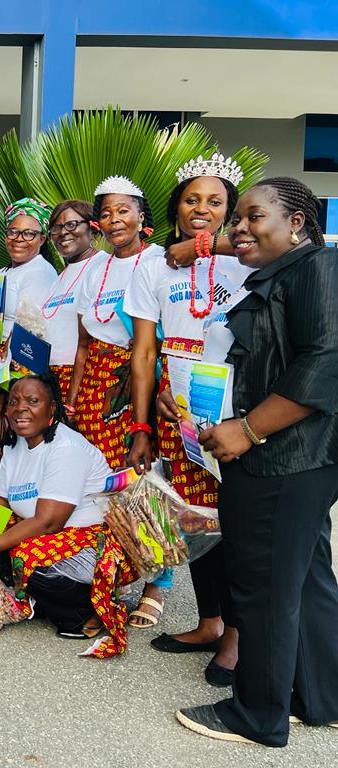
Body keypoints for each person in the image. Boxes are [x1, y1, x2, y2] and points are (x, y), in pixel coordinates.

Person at [174, 178, 338, 746]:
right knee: (305, 577)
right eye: (237, 218)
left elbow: (324, 363)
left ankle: (258, 715)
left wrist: (246, 430)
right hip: (286, 456)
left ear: (296, 223)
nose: (239, 228)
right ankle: (322, 696)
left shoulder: (318, 268)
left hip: (285, 458)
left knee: (264, 586)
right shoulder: (285, 272)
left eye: (253, 216)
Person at [125, 155, 249, 684]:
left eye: (215, 202)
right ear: (175, 205)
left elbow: (295, 248)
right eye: (192, 199)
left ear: (231, 210)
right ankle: (210, 621)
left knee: (236, 520)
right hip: (177, 410)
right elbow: (143, 351)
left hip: (235, 409)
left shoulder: (244, 255)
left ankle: (239, 635)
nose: (202, 209)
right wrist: (143, 422)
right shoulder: (152, 266)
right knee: (194, 518)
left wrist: (202, 247)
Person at [0, 375, 138, 655]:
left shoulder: (66, 448)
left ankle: (87, 611)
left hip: (92, 541)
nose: (20, 408)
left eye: (32, 401)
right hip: (44, 532)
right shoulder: (14, 444)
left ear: (52, 408)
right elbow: (0, 500)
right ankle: (41, 596)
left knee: (25, 558)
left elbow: (49, 522)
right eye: (13, 401)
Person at [66, 176, 170, 630]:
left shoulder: (160, 261)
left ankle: (157, 583)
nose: (114, 220)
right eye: (106, 213)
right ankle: (113, 578)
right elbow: (84, 341)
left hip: (140, 381)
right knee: (103, 486)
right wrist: (74, 398)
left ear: (141, 215)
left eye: (123, 210)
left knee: (145, 483)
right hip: (96, 385)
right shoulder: (95, 269)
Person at [42, 200, 99, 401]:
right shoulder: (60, 276)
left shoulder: (102, 265)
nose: (63, 232)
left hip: (86, 378)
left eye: (72, 224)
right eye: (56, 228)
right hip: (51, 378)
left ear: (92, 228)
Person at [0, 198, 57, 349]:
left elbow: (32, 328)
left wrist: (5, 356)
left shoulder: (39, 272)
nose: (19, 239)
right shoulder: (3, 272)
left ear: (42, 239)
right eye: (13, 232)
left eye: (28, 234)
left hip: (14, 356)